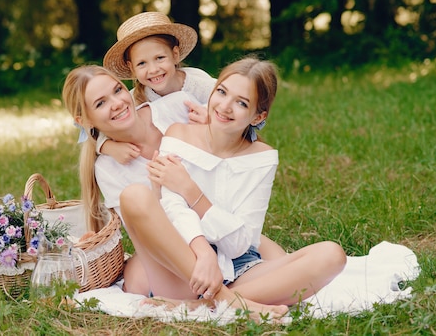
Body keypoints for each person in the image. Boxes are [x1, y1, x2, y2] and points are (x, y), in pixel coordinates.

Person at [62, 64, 290, 322]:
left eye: (117, 90)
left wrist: (211, 121)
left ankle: (208, 302)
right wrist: (106, 147)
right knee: (137, 197)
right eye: (101, 103)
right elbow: (150, 229)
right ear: (85, 120)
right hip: (175, 248)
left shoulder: (175, 107)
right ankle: (226, 299)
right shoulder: (107, 167)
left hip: (214, 223)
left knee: (276, 254)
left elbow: (236, 132)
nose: (116, 103)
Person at [120, 56, 347, 310]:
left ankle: (203, 306)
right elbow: (172, 209)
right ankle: (229, 302)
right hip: (185, 264)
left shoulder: (262, 158)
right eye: (222, 92)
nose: (225, 107)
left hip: (239, 266)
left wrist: (192, 192)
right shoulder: (178, 133)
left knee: (331, 255)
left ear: (257, 115)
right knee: (134, 196)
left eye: (241, 102)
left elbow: (241, 244)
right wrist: (204, 252)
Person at [98, 11, 216, 164]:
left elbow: (234, 103)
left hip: (209, 154)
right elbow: (99, 128)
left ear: (175, 54)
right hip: (171, 162)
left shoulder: (199, 84)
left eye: (159, 58)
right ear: (131, 67)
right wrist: (109, 146)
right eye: (142, 63)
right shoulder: (133, 99)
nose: (153, 70)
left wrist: (213, 119)